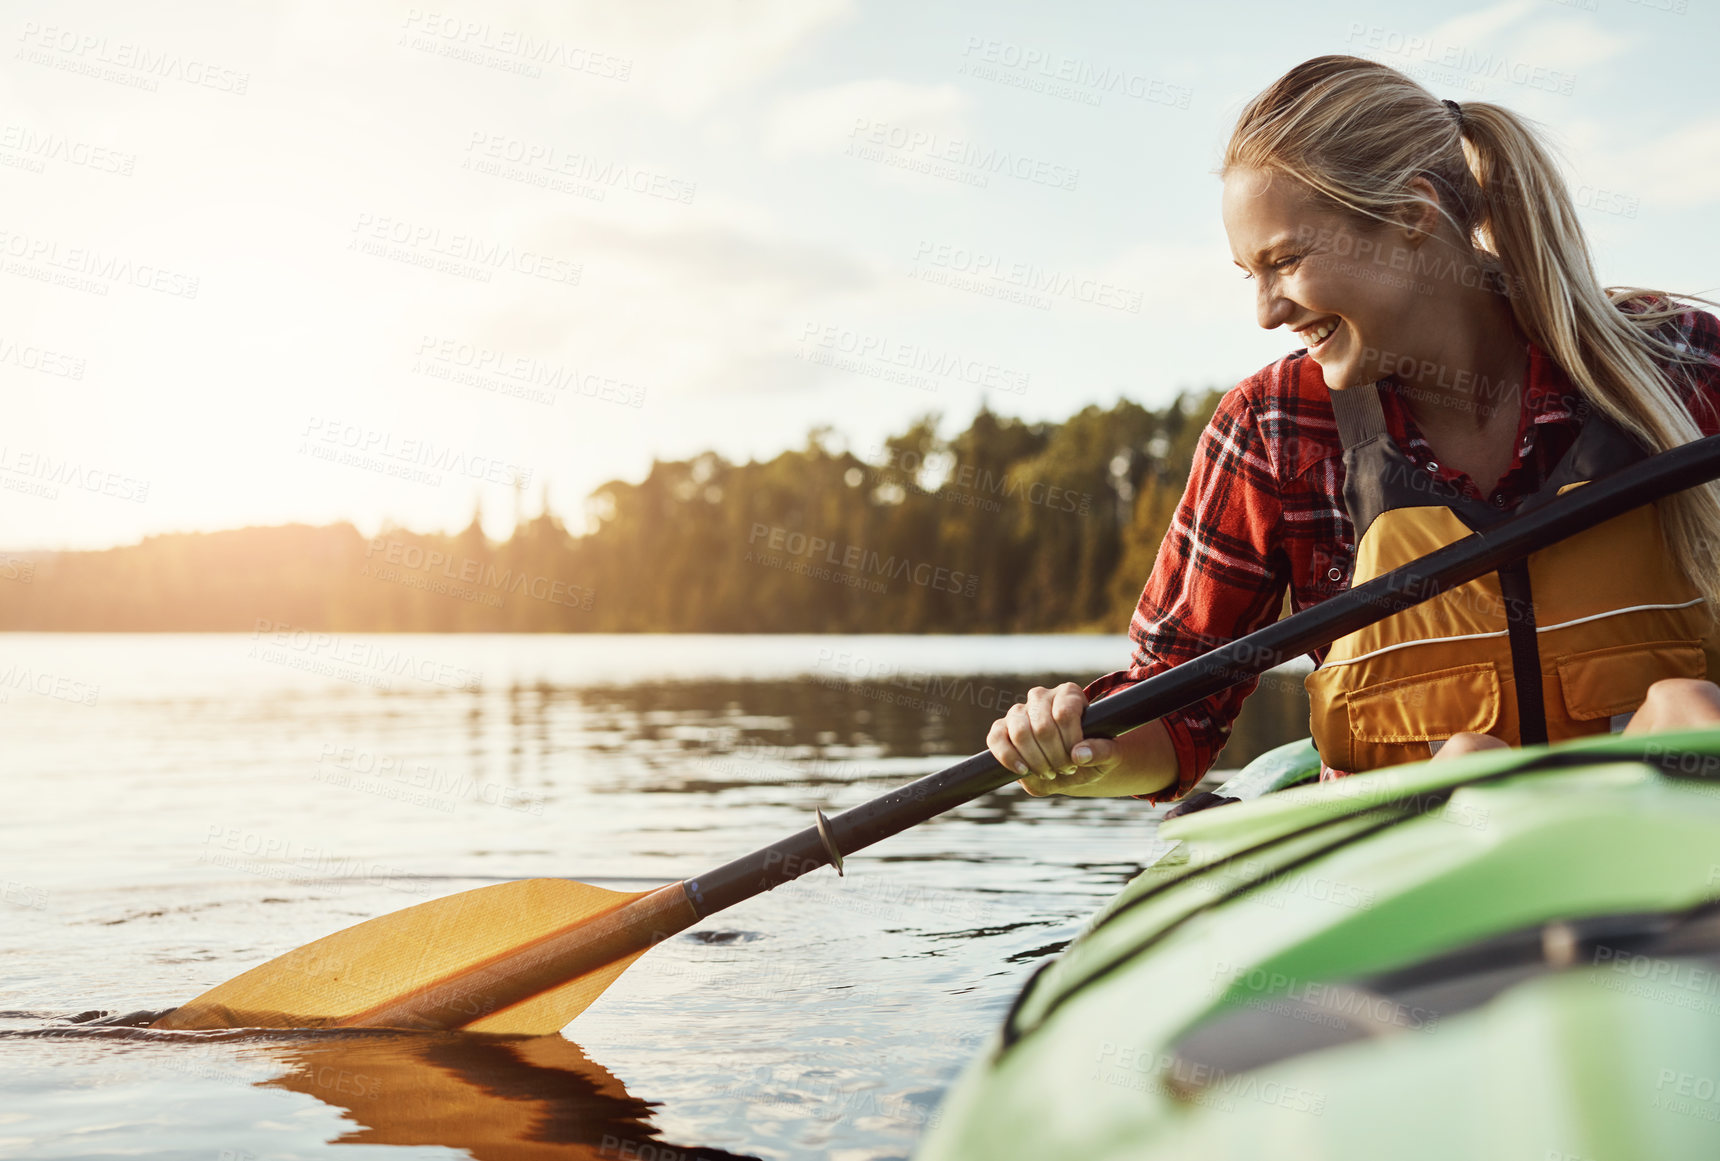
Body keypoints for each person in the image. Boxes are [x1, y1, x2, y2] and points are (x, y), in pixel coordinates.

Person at [987, 55, 1720, 803]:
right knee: (1469, 764)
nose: (1268, 312)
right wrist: (1082, 749)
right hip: (1421, 867)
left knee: (1685, 711)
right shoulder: (1272, 427)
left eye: (1287, 261)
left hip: (1673, 840)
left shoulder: (1680, 359)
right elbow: (1176, 719)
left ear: (1411, 215)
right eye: (1252, 275)